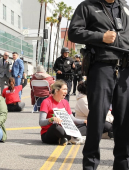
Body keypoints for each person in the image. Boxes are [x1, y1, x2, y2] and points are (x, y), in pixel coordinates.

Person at [68, 0, 129, 169]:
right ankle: (90, 165)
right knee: (97, 120)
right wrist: (100, 37)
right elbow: (73, 32)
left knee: (124, 121)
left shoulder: (124, 7)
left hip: (125, 70)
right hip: (102, 67)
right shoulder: (87, 6)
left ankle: (123, 165)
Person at [39, 80, 87, 145]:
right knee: (55, 126)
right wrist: (52, 119)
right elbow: (41, 122)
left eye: (66, 89)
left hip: (65, 130)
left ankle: (66, 138)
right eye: (64, 89)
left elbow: (72, 119)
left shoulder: (65, 102)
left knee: (87, 126)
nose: (66, 92)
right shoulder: (46, 102)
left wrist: (84, 121)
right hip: (49, 133)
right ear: (56, 90)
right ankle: (73, 138)